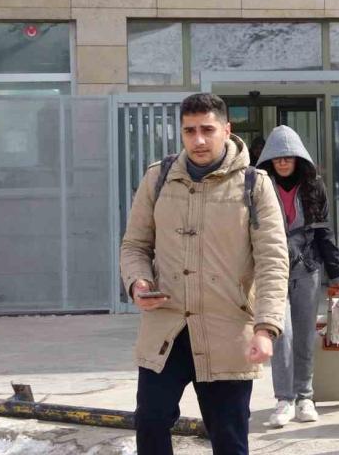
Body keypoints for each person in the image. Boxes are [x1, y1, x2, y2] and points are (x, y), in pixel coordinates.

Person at [120, 93, 289, 455]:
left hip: (226, 330)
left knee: (228, 438)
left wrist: (266, 328)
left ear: (226, 129)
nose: (198, 140)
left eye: (207, 130)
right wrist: (138, 282)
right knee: (149, 421)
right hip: (167, 329)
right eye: (189, 131)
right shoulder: (159, 178)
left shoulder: (254, 184)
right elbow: (134, 245)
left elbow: (273, 261)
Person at [256, 125, 339, 428]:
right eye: (277, 157)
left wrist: (336, 274)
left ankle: (305, 396)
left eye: (288, 157)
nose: (283, 162)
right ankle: (284, 399)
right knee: (281, 333)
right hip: (271, 269)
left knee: (305, 333)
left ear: (298, 158)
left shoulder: (313, 186)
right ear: (269, 159)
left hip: (307, 267)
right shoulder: (259, 185)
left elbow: (324, 231)